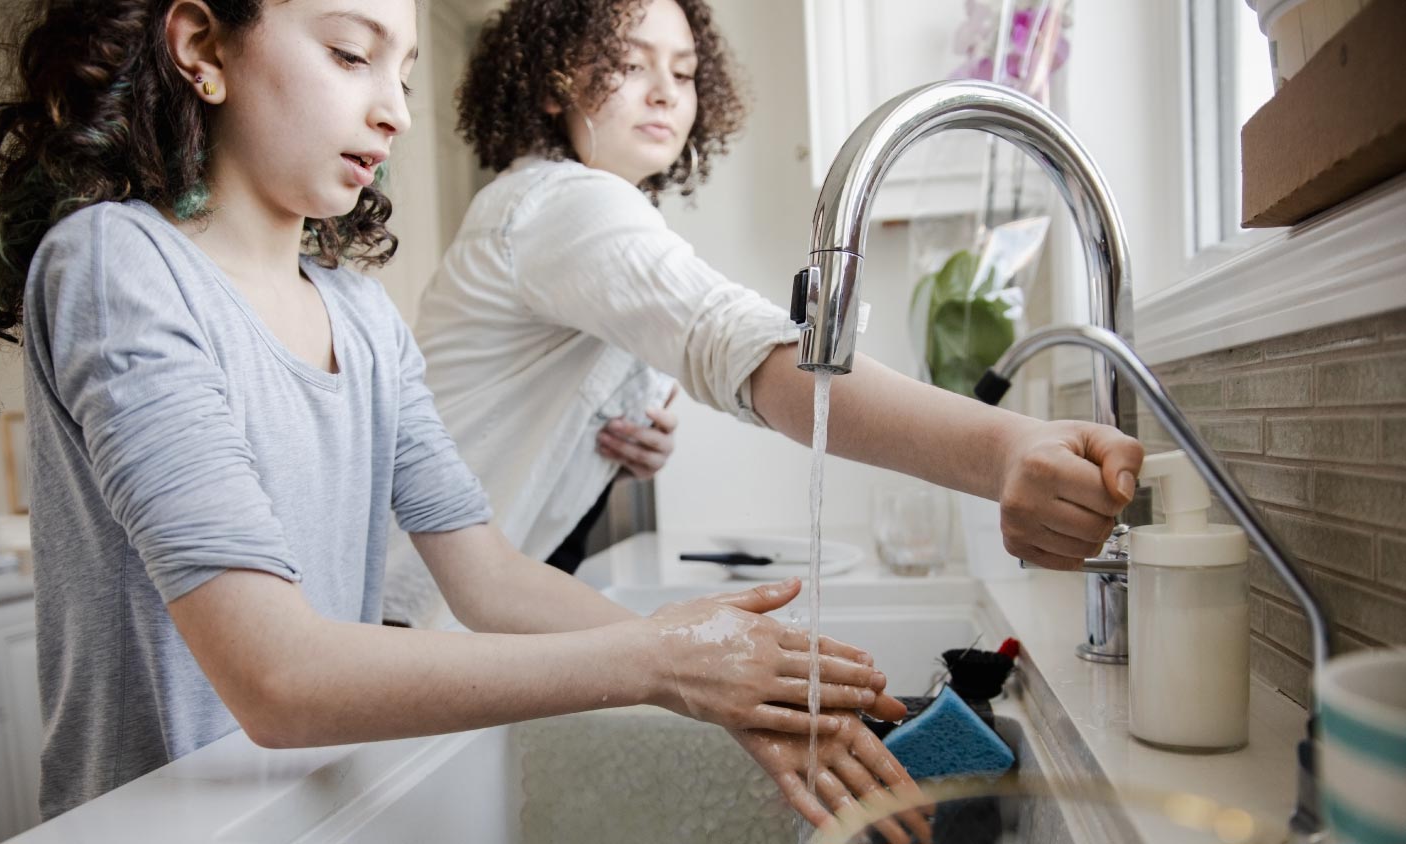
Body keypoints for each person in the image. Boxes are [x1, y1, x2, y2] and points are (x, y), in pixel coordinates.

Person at [0, 0, 923, 834]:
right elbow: (279, 677)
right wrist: (662, 662)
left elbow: (490, 577)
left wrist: (718, 678)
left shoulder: (362, 317)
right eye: (348, 53)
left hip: (318, 806)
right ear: (202, 49)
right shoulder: (117, 265)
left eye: (405, 70)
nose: (396, 110)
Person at [390, 0, 1146, 661]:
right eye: (627, 63)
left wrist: (610, 455)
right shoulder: (565, 206)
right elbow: (751, 353)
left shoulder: (572, 213)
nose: (664, 92)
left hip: (447, 615)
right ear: (554, 82)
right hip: (408, 617)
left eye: (684, 72)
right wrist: (1005, 448)